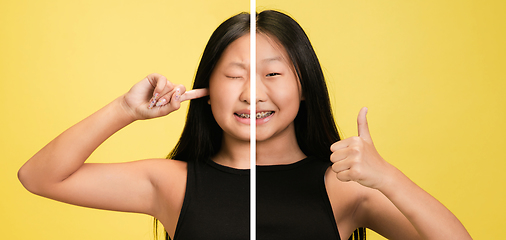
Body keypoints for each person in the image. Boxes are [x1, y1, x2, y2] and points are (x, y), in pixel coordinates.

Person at [18, 10, 472, 240]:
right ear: (207, 89)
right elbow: (38, 177)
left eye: (272, 74)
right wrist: (124, 109)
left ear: (305, 87)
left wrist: (387, 177)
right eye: (234, 76)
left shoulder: (344, 187)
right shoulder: (172, 183)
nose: (252, 93)